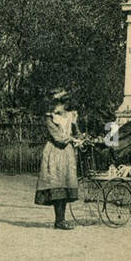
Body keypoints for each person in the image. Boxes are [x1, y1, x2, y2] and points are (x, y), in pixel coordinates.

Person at [35, 89, 80, 230]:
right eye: (59, 102)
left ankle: (62, 220)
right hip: (54, 152)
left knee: (66, 184)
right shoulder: (50, 118)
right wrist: (72, 139)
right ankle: (59, 220)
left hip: (67, 153)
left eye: (63, 102)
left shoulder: (71, 116)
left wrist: (78, 135)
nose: (61, 106)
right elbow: (57, 137)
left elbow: (75, 131)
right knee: (56, 185)